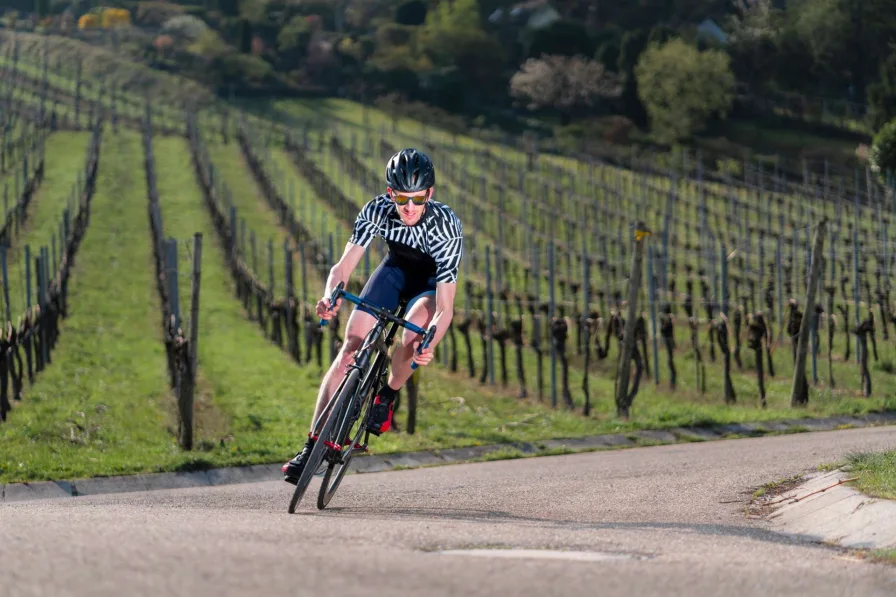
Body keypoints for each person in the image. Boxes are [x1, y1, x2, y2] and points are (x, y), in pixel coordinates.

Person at [282, 148, 464, 484]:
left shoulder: (446, 225)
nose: (410, 208)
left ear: (430, 195)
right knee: (349, 350)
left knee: (412, 339)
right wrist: (328, 296)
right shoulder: (377, 210)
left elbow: (445, 307)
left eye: (419, 199)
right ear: (389, 193)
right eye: (402, 198)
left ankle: (389, 392)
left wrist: (430, 342)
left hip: (429, 285)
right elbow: (342, 267)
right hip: (394, 271)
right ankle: (311, 446)